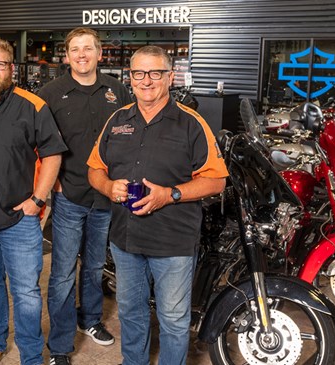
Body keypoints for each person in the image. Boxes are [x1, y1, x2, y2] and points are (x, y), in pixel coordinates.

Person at [87, 45, 229, 365]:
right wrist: (108, 186)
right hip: (126, 240)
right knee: (131, 313)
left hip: (173, 242)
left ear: (170, 77)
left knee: (174, 320)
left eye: (155, 73)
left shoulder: (192, 123)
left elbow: (216, 180)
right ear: (131, 78)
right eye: (139, 73)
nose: (146, 81)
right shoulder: (118, 119)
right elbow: (95, 168)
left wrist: (170, 194)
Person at [0, 36, 67, 365]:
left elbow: (52, 155)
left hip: (19, 218)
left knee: (26, 293)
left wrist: (37, 199)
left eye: (0, 63)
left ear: (11, 68)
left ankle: (32, 356)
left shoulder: (32, 105)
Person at [37, 27, 132, 365]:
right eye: (75, 49)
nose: (81, 55)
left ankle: (89, 319)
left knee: (93, 266)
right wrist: (51, 185)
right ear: (66, 56)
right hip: (69, 195)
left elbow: (129, 138)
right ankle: (60, 346)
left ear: (99, 53)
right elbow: (38, 144)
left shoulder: (118, 91)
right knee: (62, 271)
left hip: (106, 197)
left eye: (88, 49)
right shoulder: (50, 93)